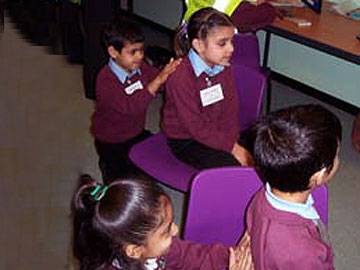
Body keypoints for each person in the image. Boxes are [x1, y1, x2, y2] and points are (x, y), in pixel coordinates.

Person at [72, 175, 254, 270]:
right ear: (134, 250)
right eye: (166, 231)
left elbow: (193, 255)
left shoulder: (154, 249)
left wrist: (233, 255)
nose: (175, 230)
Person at [246, 104, 342, 270]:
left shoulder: (262, 196)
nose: (338, 160)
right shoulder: (304, 254)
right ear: (318, 176)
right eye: (336, 156)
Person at [162, 7, 253, 169]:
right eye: (222, 43)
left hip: (217, 129)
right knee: (230, 168)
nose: (231, 48)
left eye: (231, 41)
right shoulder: (181, 76)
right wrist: (232, 147)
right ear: (198, 45)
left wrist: (233, 141)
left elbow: (230, 109)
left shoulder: (223, 67)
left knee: (265, 150)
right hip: (186, 138)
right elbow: (195, 126)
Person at [91, 20, 181, 183]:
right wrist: (158, 81)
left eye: (141, 50)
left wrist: (171, 76)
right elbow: (132, 106)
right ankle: (107, 168)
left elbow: (157, 80)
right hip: (112, 140)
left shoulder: (140, 67)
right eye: (133, 52)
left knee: (155, 160)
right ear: (113, 52)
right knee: (119, 183)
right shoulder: (105, 80)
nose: (140, 56)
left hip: (135, 132)